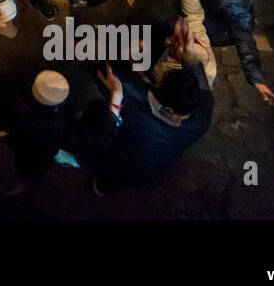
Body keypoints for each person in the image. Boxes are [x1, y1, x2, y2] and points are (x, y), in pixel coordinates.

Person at [91, 63, 213, 195]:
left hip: (118, 166)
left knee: (97, 112)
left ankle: (103, 185)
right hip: (151, 178)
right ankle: (105, 188)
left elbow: (105, 72)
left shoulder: (130, 96)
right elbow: (199, 74)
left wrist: (134, 66)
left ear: (159, 87)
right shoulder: (201, 121)